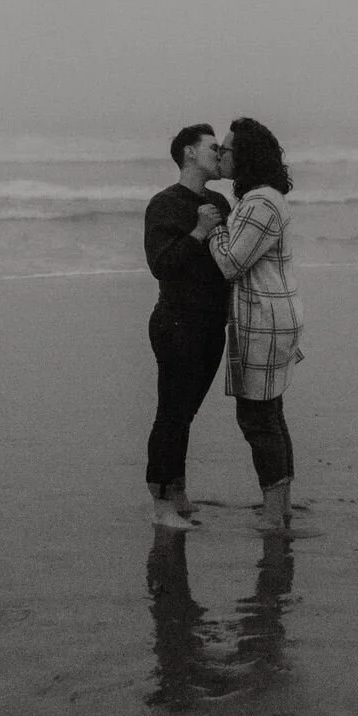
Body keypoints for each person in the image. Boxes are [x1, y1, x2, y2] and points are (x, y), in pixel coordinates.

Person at [198, 117, 304, 531]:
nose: (220, 155)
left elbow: (231, 264)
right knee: (270, 413)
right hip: (272, 315)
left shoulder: (261, 202)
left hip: (264, 319)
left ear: (244, 157)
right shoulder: (265, 197)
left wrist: (212, 230)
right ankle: (282, 506)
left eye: (226, 149)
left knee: (257, 418)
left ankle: (275, 513)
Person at [143, 123, 231, 529]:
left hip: (213, 324)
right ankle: (161, 506)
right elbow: (161, 265)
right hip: (176, 322)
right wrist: (199, 231)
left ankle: (178, 491)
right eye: (213, 147)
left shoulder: (219, 202)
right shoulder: (163, 204)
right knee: (172, 413)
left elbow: (230, 263)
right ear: (189, 153)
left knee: (187, 413)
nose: (220, 153)